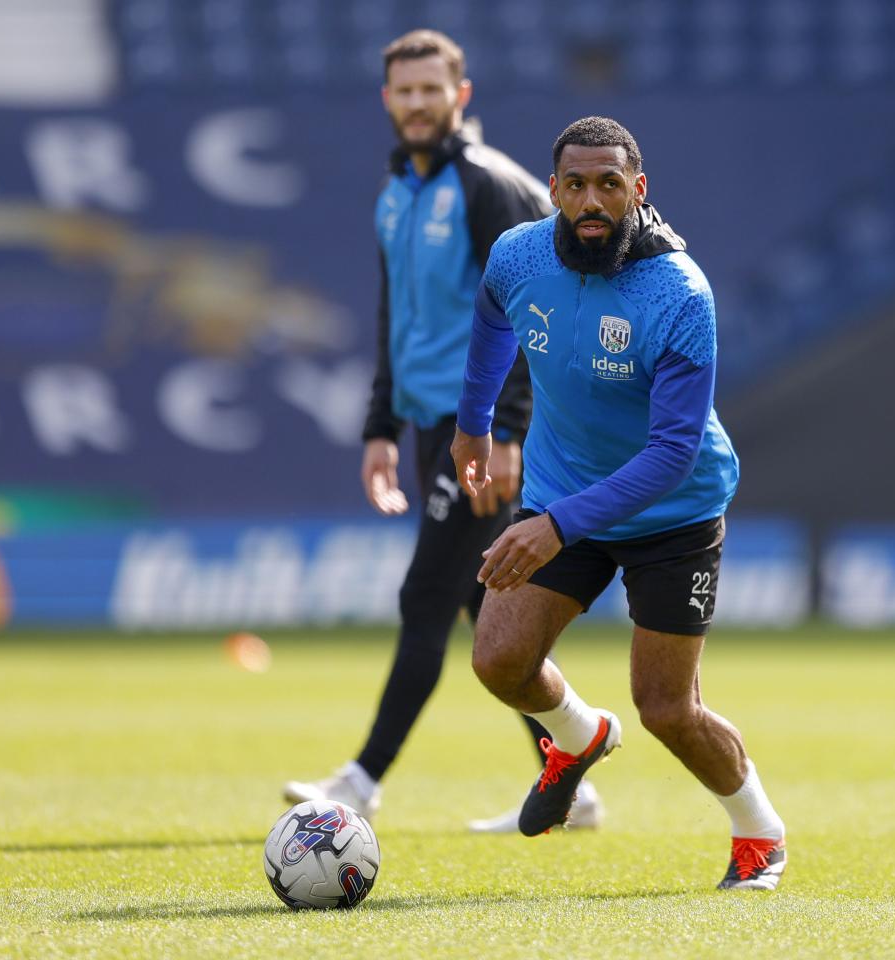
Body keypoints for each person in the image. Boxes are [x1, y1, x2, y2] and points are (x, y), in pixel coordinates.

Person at [450, 117, 786, 889]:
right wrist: (475, 426)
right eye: (576, 184)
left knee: (666, 709)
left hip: (673, 512)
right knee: (500, 661)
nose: (592, 199)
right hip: (560, 493)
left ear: (639, 190)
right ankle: (579, 734)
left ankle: (759, 835)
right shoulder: (520, 252)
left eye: (610, 183)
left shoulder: (678, 293)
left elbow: (670, 453)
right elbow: (495, 321)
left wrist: (554, 528)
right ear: (555, 189)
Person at [283, 30, 603, 833]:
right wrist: (379, 427)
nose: (419, 103)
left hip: (482, 436)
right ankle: (574, 783)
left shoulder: (488, 186)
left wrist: (509, 430)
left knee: (424, 593)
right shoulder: (398, 191)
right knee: (474, 602)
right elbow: (401, 319)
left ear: (460, 97)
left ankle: (360, 780)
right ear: (387, 100)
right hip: (432, 430)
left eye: (434, 89)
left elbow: (540, 312)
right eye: (405, 91)